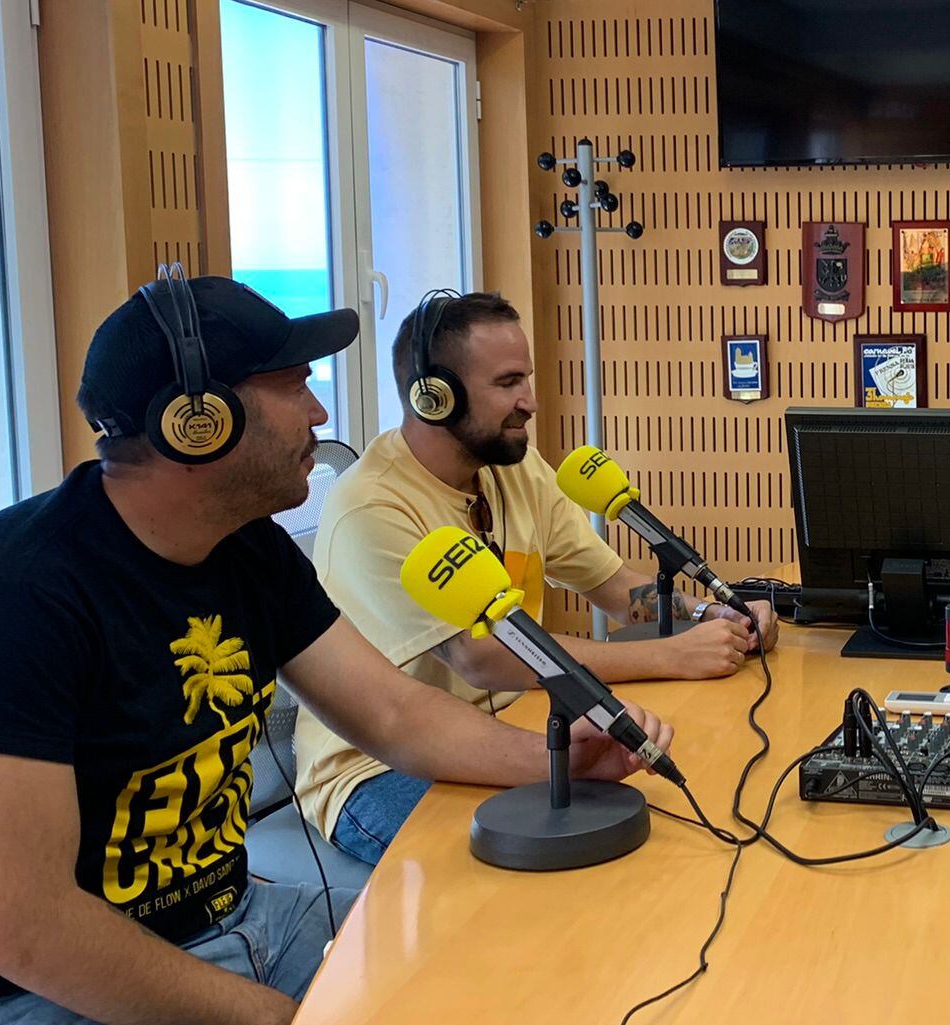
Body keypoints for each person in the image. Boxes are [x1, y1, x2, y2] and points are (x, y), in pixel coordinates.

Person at [0, 272, 673, 1025]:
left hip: (236, 919)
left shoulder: (245, 547)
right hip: (9, 1014)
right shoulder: (2, 602)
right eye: (294, 383)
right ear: (200, 420)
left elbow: (391, 711)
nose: (317, 411)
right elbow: (25, 929)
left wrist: (561, 763)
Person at [297, 290, 776, 865]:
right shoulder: (373, 509)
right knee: (520, 885)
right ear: (434, 397)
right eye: (507, 383)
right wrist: (672, 655)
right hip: (377, 770)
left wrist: (712, 619)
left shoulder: (517, 467)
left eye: (526, 377)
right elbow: (483, 658)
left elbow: (613, 585)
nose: (531, 401)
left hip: (504, 726)